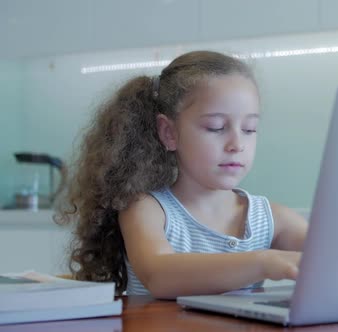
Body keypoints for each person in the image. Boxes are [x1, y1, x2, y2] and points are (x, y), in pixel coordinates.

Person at [56, 50, 308, 299]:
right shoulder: (147, 208)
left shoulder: (271, 219)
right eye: (216, 127)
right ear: (169, 132)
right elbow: (159, 275)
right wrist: (264, 262)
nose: (237, 144)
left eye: (250, 129)